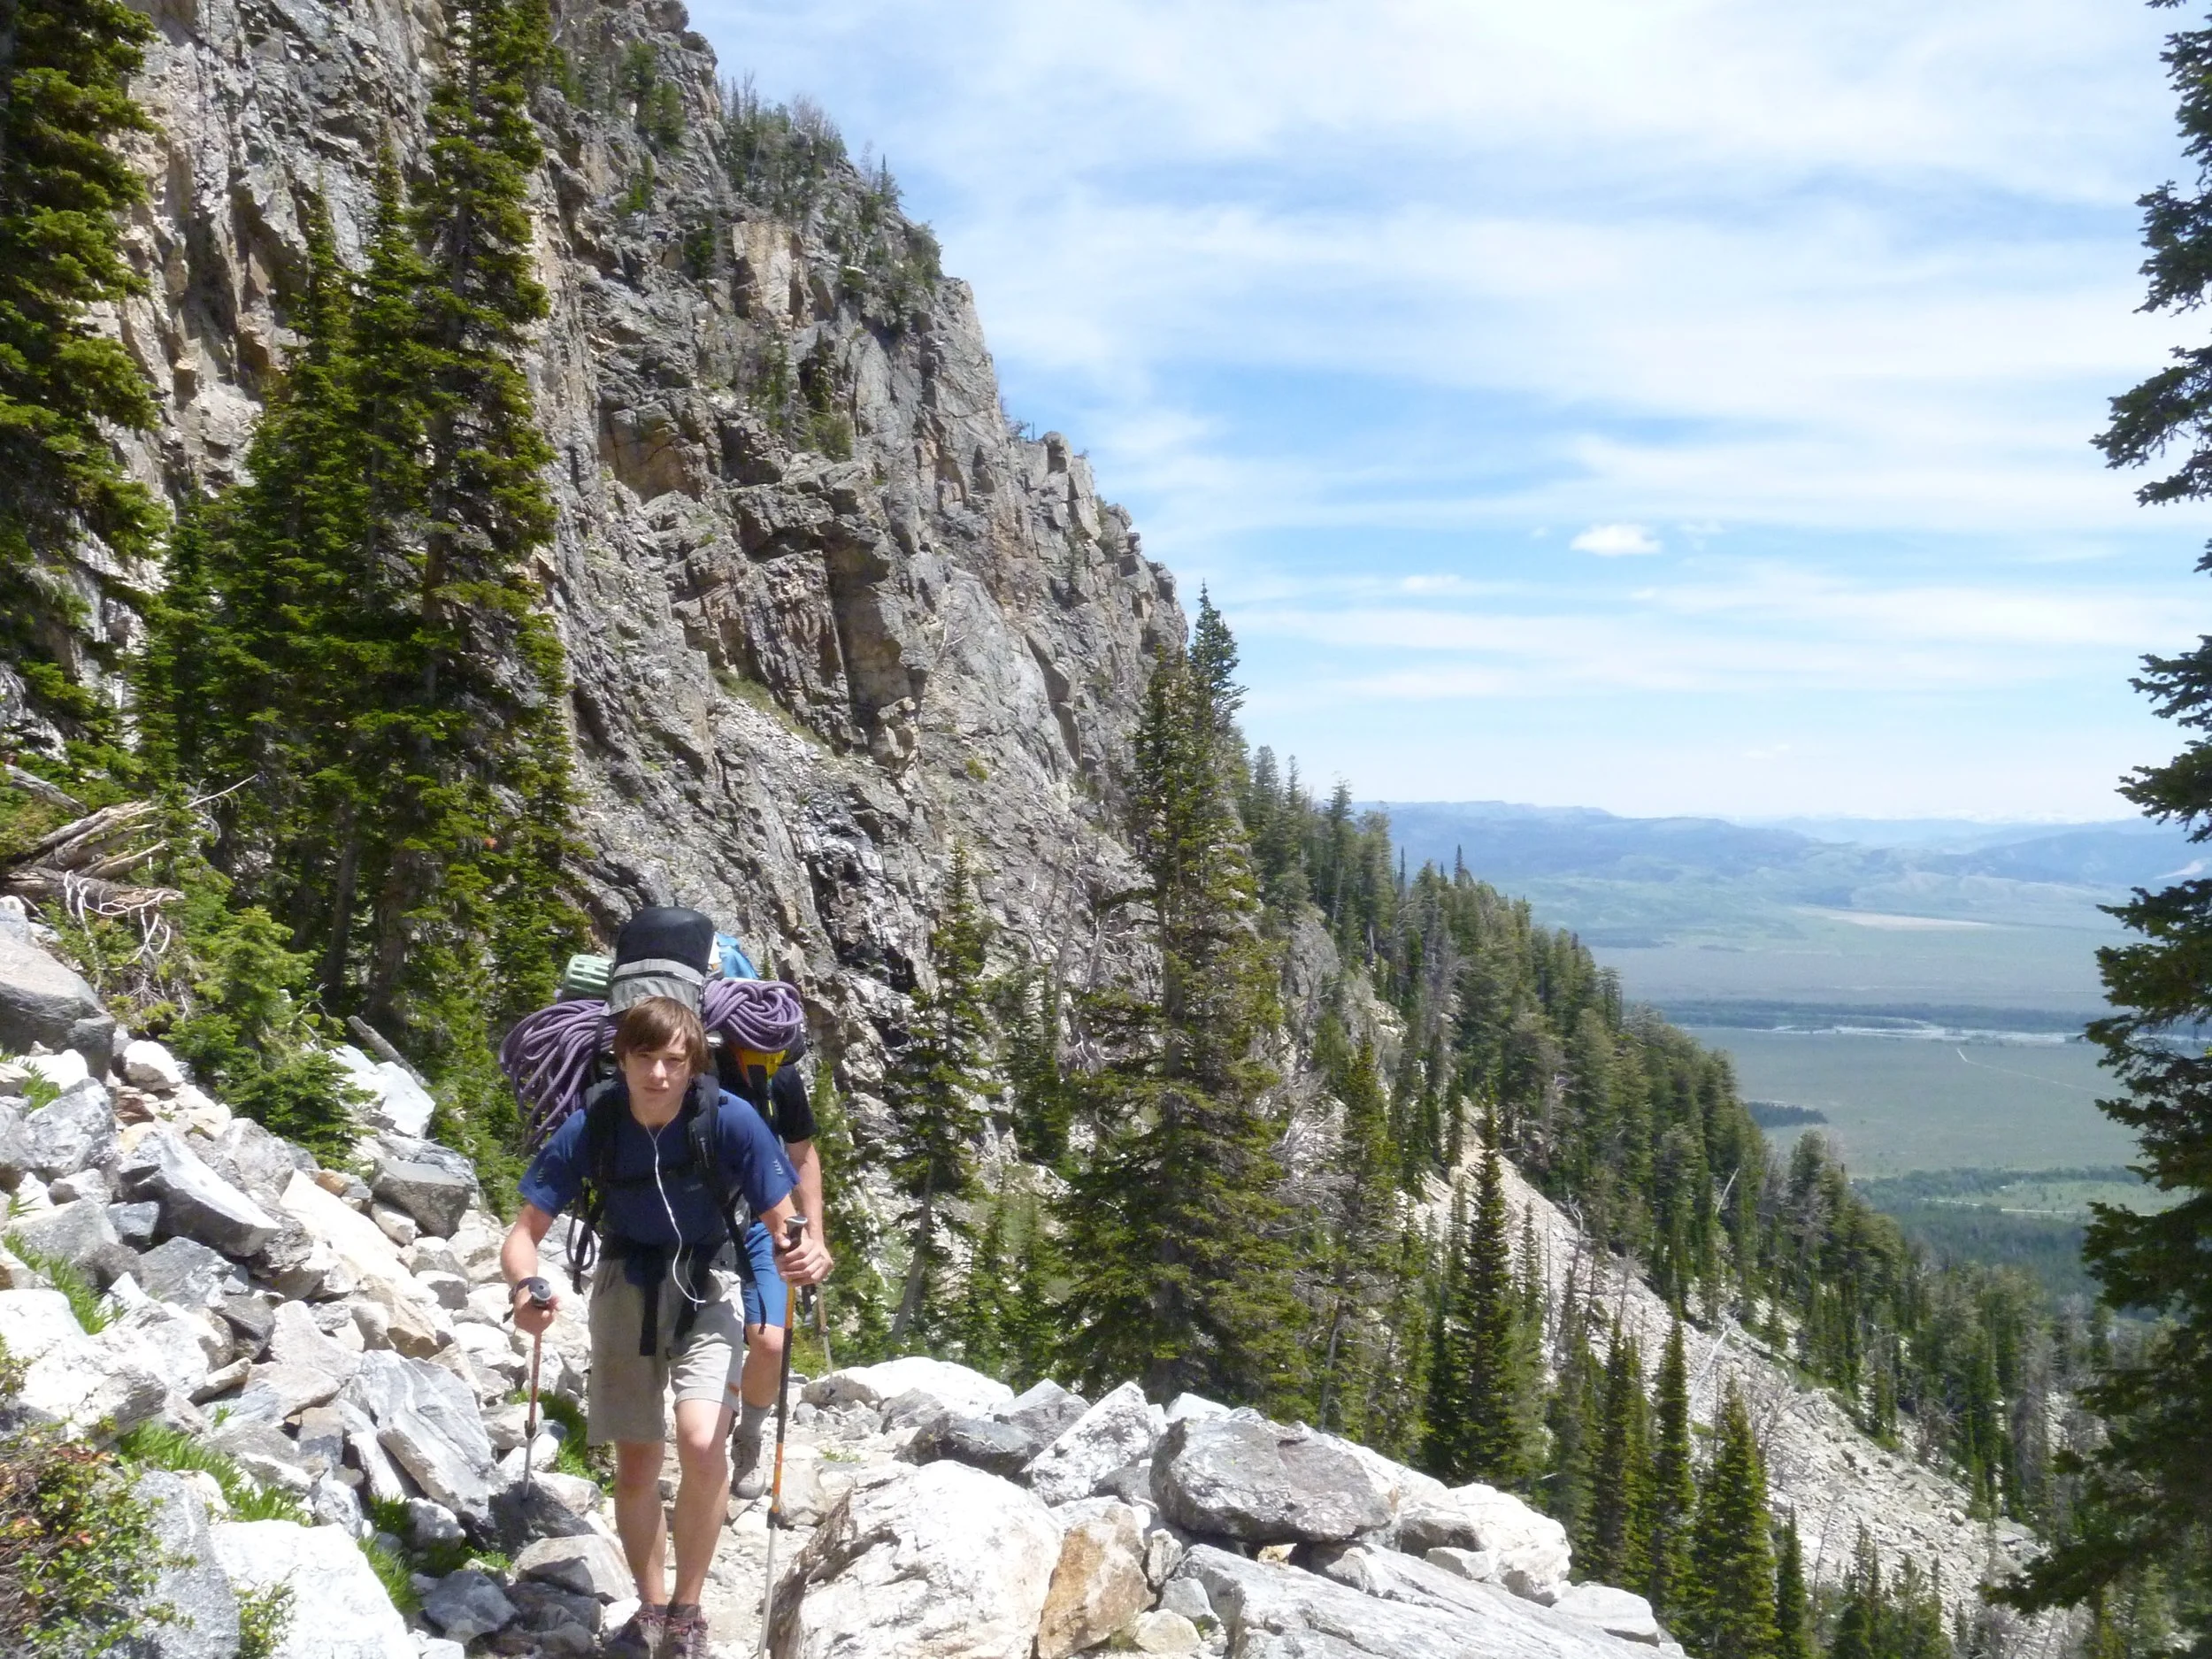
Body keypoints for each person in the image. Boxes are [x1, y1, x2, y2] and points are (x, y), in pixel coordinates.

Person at [503, 996, 832, 1659]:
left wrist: (805, 1249)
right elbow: (523, 1233)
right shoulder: (593, 1123)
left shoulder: (730, 1119)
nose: (658, 1074)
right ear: (622, 1058)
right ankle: (650, 1610)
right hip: (626, 1277)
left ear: (693, 1064)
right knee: (637, 1460)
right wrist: (524, 1288)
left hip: (709, 1275)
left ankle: (688, 1609)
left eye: (673, 1061)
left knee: (703, 1438)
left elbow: (781, 1216)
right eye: (645, 1058)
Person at [716, 1045, 833, 1500]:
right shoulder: (688, 1065)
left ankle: (748, 1435)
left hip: (767, 1219)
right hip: (696, 1221)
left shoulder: (778, 1076)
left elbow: (802, 1154)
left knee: (771, 1339)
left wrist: (815, 1237)